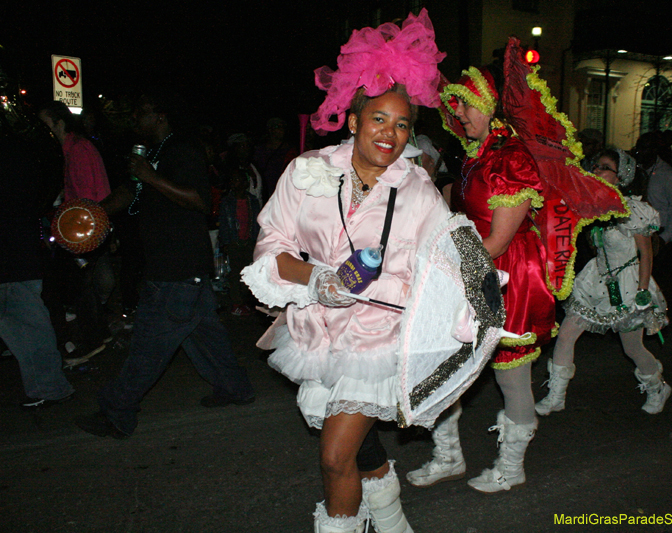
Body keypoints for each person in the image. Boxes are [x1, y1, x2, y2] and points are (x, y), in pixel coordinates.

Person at [241, 10, 447, 532]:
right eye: (379, 119)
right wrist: (317, 281)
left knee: (335, 456)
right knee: (361, 441)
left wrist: (475, 286)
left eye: (403, 124)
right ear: (353, 120)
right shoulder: (308, 171)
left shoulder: (417, 190)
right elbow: (272, 245)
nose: (391, 133)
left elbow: (442, 260)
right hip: (315, 331)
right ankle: (393, 518)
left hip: (379, 337)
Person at [74, 94, 255, 439]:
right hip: (183, 268)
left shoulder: (181, 150)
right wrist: (93, 213)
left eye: (141, 113)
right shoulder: (154, 153)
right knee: (206, 337)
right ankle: (236, 388)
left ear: (160, 116)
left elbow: (200, 201)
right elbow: (130, 191)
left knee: (148, 346)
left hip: (176, 267)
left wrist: (151, 177)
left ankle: (117, 411)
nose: (134, 120)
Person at [408, 66, 553, 494]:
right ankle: (449, 456)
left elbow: (497, 241)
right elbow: (457, 213)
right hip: (471, 271)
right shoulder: (478, 155)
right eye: (456, 106)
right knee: (446, 370)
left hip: (508, 278)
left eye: (467, 104)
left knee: (511, 378)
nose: (460, 113)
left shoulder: (511, 158)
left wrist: (435, 261)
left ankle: (512, 467)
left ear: (489, 105)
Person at [535, 149, 672, 416]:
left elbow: (646, 253)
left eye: (605, 167)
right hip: (596, 280)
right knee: (565, 335)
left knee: (632, 347)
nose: (597, 170)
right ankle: (556, 396)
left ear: (621, 177)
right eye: (596, 166)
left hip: (628, 284)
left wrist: (643, 291)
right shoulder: (594, 205)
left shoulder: (633, 209)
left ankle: (657, 387)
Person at [0, 111, 74, 408]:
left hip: (11, 258)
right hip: (18, 255)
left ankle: (51, 387)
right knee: (25, 328)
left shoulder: (12, 155)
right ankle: (48, 386)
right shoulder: (22, 151)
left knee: (28, 327)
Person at [38, 101, 114, 361]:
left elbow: (84, 200)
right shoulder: (74, 148)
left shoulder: (77, 149)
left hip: (85, 229)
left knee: (81, 286)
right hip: (92, 225)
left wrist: (69, 233)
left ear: (59, 123)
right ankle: (100, 333)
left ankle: (92, 340)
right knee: (89, 283)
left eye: (46, 124)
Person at [218, 168, 259, 316]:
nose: (234, 183)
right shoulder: (227, 202)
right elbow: (223, 223)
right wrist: (226, 243)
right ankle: (236, 303)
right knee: (235, 274)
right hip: (234, 242)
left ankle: (243, 302)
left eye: (237, 180)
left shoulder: (252, 201)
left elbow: (257, 223)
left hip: (248, 242)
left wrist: (256, 241)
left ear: (245, 182)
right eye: (232, 180)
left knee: (247, 273)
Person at [635, 131, 672, 251]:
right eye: (638, 148)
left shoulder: (669, 175)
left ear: (654, 150)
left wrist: (664, 238)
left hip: (660, 232)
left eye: (644, 148)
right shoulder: (635, 172)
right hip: (639, 230)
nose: (639, 152)